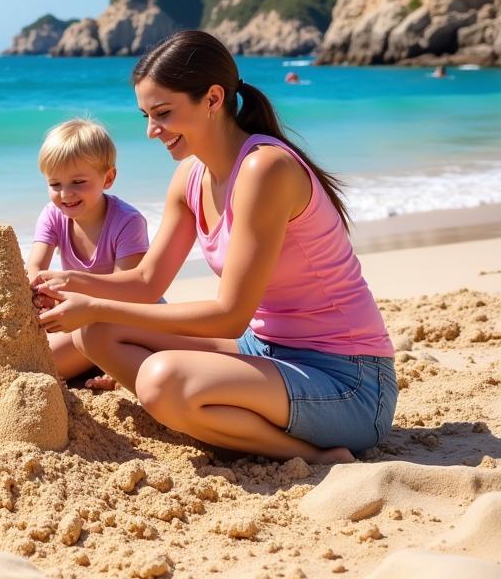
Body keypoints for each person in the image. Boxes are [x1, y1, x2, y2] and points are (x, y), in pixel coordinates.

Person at [32, 30, 396, 464]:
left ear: (212, 99)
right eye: (146, 115)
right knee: (97, 334)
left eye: (163, 113)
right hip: (263, 351)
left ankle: (309, 456)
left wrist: (96, 305)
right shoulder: (190, 176)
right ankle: (203, 415)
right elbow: (147, 281)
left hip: (347, 382)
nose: (152, 131)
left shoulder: (265, 169)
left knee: (161, 380)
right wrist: (73, 281)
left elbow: (229, 316)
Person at [26, 119, 149, 380]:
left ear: (108, 178)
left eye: (78, 182)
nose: (66, 194)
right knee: (31, 351)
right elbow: (35, 268)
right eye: (55, 184)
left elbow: (127, 291)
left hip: (127, 316)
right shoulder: (52, 215)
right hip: (82, 311)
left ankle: (115, 364)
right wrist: (42, 294)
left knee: (43, 366)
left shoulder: (127, 221)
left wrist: (68, 290)